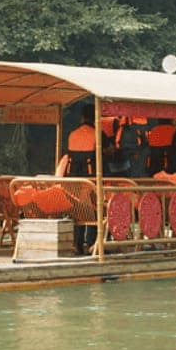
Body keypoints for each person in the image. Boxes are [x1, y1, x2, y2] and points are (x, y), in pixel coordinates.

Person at [66, 104, 102, 254]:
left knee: (78, 211)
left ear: (81, 118)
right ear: (95, 118)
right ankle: (93, 243)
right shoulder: (97, 134)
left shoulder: (72, 134)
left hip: (74, 179)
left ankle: (77, 244)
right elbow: (107, 151)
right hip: (91, 179)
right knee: (94, 210)